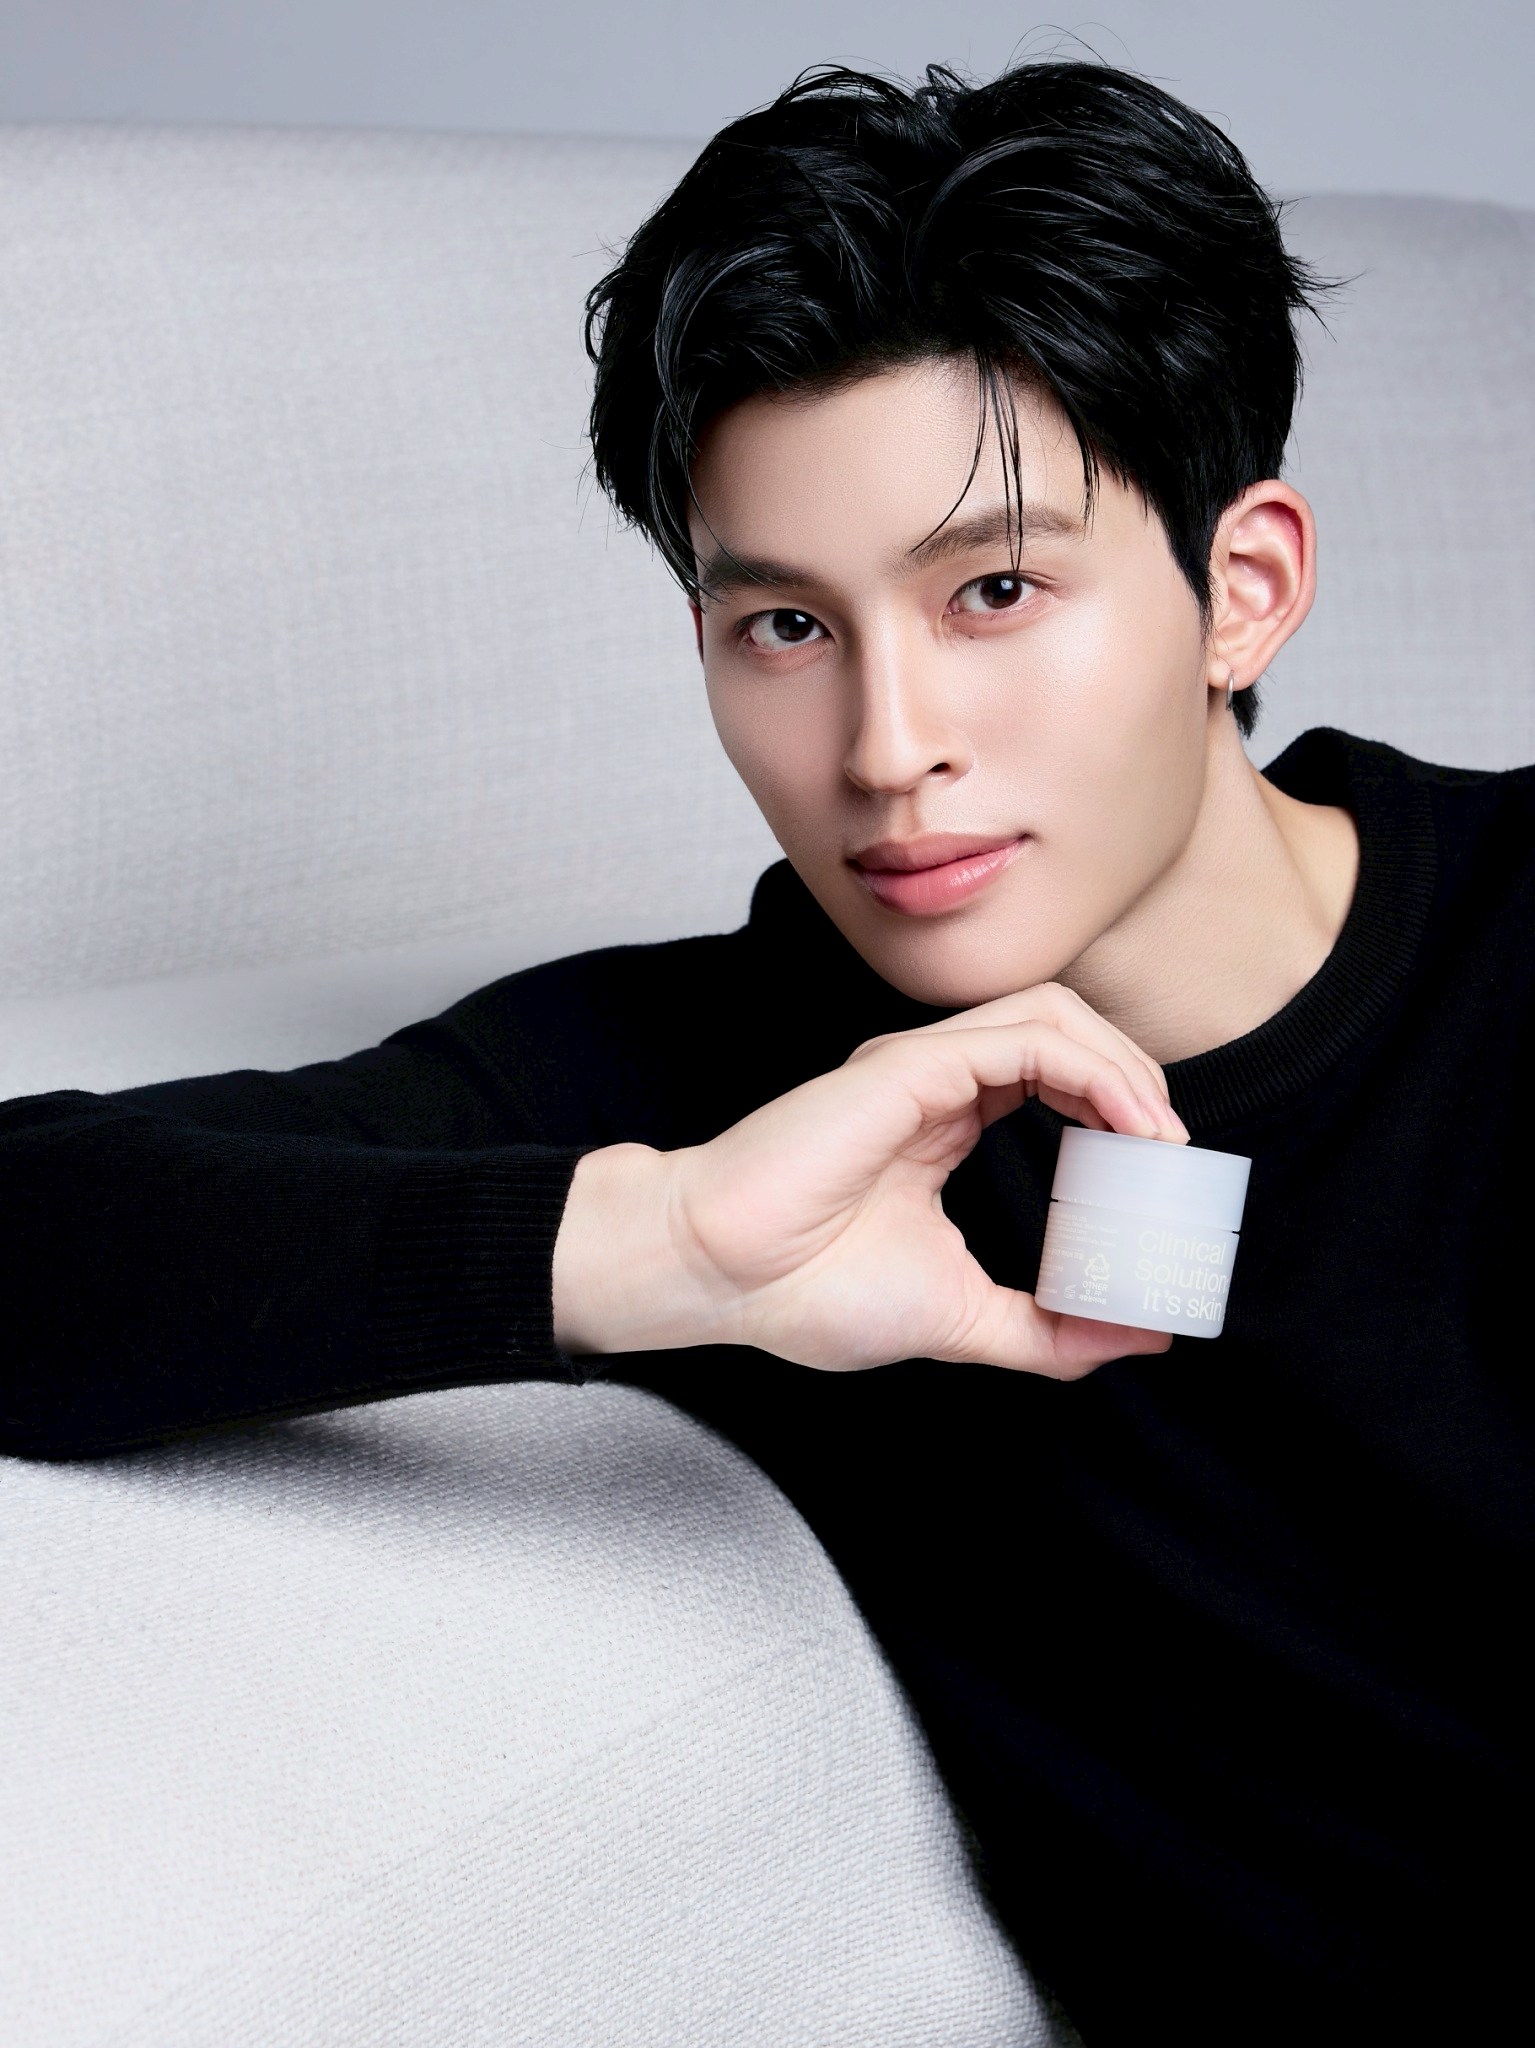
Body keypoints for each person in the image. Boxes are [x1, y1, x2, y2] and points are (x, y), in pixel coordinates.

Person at [2, 59, 1528, 2045]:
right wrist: (664, 1248)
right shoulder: (745, 1095)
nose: (888, 748)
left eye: (995, 591)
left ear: (1243, 591)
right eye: (786, 628)